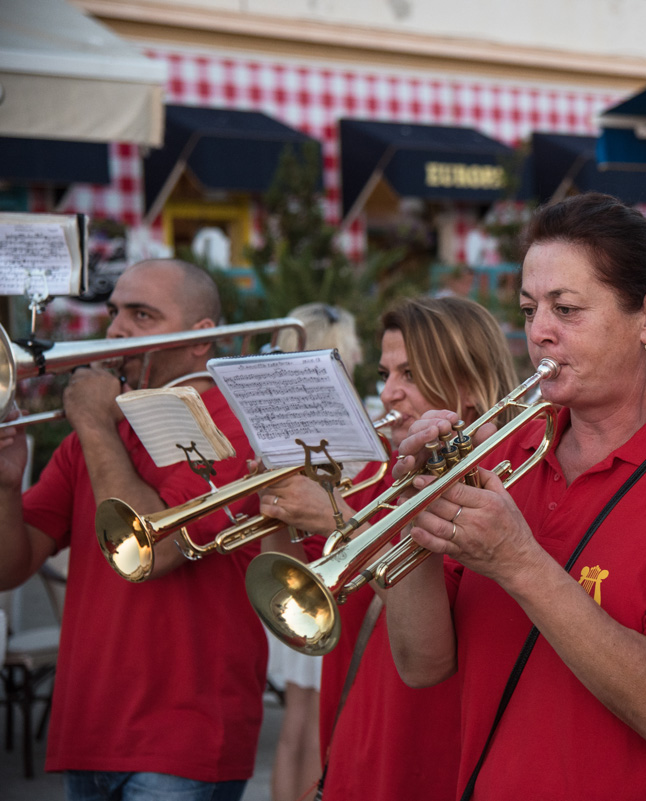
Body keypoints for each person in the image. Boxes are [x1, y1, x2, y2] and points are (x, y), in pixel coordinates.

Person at [384, 192, 646, 799]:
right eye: (529, 309)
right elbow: (422, 665)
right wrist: (413, 515)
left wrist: (518, 561)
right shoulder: (506, 458)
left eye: (566, 309)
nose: (539, 332)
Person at [0, 259, 264, 800]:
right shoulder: (91, 440)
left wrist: (95, 424)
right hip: (90, 732)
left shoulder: (231, 426)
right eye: (115, 311)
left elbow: (155, 549)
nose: (116, 329)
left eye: (142, 315)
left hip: (183, 739)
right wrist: (5, 486)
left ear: (201, 339)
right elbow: (11, 567)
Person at [257, 296, 518, 800]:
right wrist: (276, 506)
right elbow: (296, 603)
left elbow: (420, 617)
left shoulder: (495, 489)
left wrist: (338, 518)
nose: (389, 393)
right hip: (354, 738)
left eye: (411, 376)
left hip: (419, 757)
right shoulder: (385, 478)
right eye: (385, 373)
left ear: (467, 389)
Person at [262, 302, 363, 801]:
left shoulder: (277, 431)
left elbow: (274, 538)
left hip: (300, 588)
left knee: (297, 723)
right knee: (321, 727)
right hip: (329, 596)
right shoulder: (360, 429)